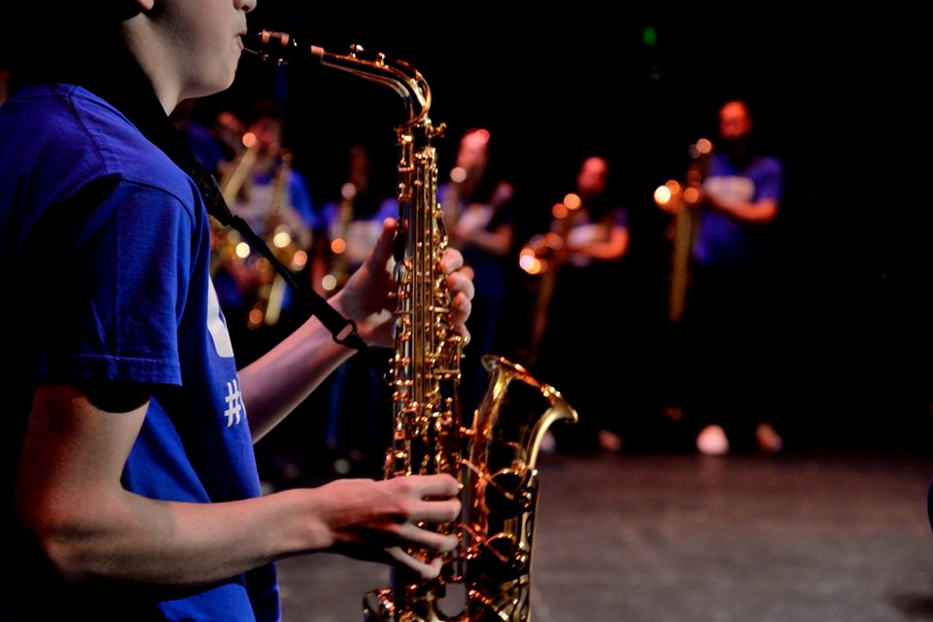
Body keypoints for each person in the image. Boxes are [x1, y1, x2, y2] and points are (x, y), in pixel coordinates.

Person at [0, 3, 475, 620]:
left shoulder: (35, 126)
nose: (248, 0)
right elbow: (68, 531)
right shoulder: (133, 186)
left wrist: (348, 318)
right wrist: (320, 517)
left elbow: (176, 437)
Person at [670, 98, 785, 455]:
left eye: (736, 122)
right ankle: (708, 422)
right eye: (724, 122)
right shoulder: (710, 165)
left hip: (748, 270)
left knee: (748, 349)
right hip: (709, 268)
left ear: (750, 124)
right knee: (708, 349)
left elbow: (766, 213)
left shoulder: (766, 167)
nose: (729, 129)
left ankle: (752, 424)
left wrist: (717, 204)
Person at [526, 155, 630, 454]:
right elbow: (552, 247)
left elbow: (617, 248)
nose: (590, 180)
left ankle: (592, 429)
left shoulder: (613, 212)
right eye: (587, 173)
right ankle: (551, 428)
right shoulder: (568, 209)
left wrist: (576, 246)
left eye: (598, 175)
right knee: (557, 358)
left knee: (592, 361)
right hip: (566, 291)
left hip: (597, 292)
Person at [311, 143, 399, 477]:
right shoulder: (334, 208)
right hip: (337, 302)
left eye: (362, 167)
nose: (356, 173)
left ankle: (370, 444)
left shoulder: (387, 208)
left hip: (372, 306)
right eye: (352, 166)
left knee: (371, 378)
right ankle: (330, 443)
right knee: (333, 375)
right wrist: (320, 291)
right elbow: (321, 252)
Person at [438, 128, 516, 423]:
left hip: (485, 287)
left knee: (477, 362)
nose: (466, 158)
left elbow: (504, 243)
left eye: (474, 152)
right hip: (449, 286)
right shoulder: (446, 192)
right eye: (463, 150)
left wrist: (466, 234)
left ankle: (473, 426)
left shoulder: (499, 194)